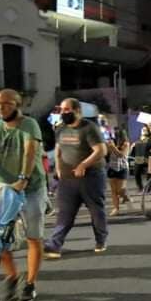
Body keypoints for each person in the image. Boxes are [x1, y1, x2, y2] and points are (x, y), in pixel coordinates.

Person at [0, 89, 47, 301]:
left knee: (33, 236)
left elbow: (30, 151)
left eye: (6, 103)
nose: (1, 107)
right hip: (4, 189)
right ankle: (12, 275)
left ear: (17, 104)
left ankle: (30, 283)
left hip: (31, 187)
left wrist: (23, 178)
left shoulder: (28, 124)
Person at [44, 98, 108, 259]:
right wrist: (58, 170)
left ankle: (101, 240)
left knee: (96, 211)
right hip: (67, 179)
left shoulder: (89, 128)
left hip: (91, 177)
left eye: (67, 110)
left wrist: (83, 165)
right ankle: (54, 245)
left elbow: (101, 150)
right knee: (65, 213)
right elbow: (58, 151)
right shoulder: (61, 129)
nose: (63, 113)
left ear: (77, 111)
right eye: (61, 110)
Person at [106, 128, 130, 217]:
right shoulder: (111, 143)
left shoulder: (126, 144)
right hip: (112, 168)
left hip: (123, 168)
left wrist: (112, 147)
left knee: (121, 190)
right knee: (114, 191)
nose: (113, 136)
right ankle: (116, 209)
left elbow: (121, 155)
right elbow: (106, 154)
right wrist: (108, 147)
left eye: (115, 135)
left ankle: (125, 196)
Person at [130, 124, 151, 192]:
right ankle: (140, 187)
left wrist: (150, 128)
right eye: (143, 129)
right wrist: (132, 147)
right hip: (138, 159)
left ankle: (149, 188)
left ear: (148, 131)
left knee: (149, 175)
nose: (144, 130)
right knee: (136, 173)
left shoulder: (150, 139)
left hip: (148, 159)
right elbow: (132, 151)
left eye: (145, 130)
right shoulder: (138, 141)